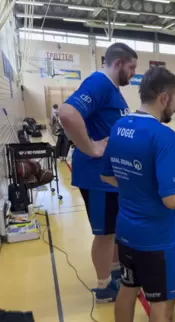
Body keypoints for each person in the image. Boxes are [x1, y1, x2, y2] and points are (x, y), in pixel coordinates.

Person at [100, 66, 175, 322]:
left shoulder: (119, 126)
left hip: (126, 232)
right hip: (158, 239)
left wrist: (137, 187)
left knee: (128, 289)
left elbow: (106, 175)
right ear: (164, 98)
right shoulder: (164, 136)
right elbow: (171, 200)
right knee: (161, 303)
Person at [58, 43, 137, 301]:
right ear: (117, 63)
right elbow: (68, 113)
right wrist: (91, 147)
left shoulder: (112, 90)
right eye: (131, 67)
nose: (133, 74)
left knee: (112, 231)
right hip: (97, 176)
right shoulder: (100, 83)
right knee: (104, 235)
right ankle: (104, 287)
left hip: (110, 178)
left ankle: (113, 273)